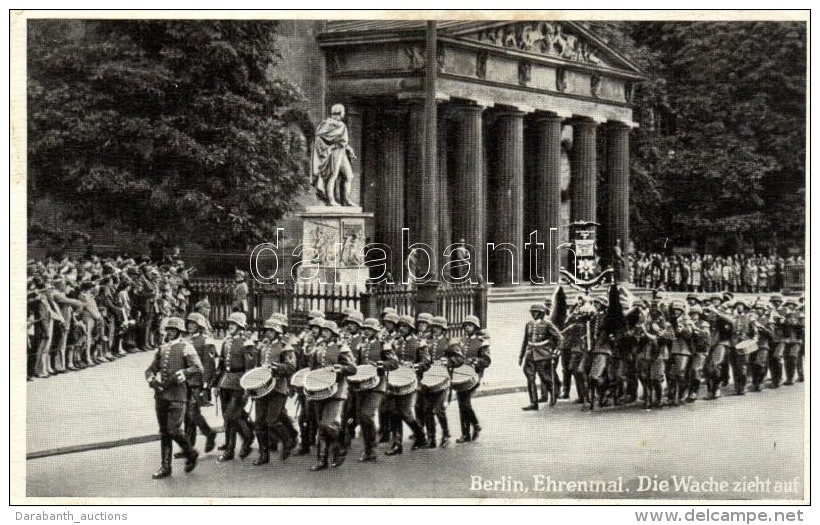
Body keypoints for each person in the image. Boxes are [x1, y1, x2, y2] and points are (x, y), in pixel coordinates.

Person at [144, 317, 203, 479]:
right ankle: (165, 467)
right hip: (161, 395)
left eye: (172, 330)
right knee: (164, 432)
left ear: (179, 331)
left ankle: (191, 453)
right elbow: (150, 369)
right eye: (168, 329)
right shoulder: (162, 348)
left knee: (174, 429)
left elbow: (198, 367)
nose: (169, 332)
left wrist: (184, 372)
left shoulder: (186, 347)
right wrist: (151, 379)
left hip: (178, 394)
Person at [308, 320, 356, 470]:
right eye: (323, 330)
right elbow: (313, 367)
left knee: (327, 423)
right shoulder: (319, 346)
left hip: (337, 390)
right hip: (320, 389)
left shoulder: (342, 347)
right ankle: (322, 459)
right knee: (321, 426)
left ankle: (340, 446)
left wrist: (340, 368)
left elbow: (352, 368)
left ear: (334, 334)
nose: (323, 333)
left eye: (327, 331)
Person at [251, 318, 297, 466]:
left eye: (272, 331)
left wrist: (278, 367)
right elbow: (258, 366)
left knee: (272, 420)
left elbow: (291, 367)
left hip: (278, 388)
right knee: (259, 422)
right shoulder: (263, 346)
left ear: (278, 332)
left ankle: (288, 440)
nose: (269, 333)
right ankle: (264, 455)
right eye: (267, 331)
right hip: (262, 388)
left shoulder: (285, 347)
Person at [354, 317, 399, 462]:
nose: (366, 331)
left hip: (378, 385)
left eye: (369, 329)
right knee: (361, 416)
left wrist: (380, 364)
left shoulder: (383, 345)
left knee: (367, 415)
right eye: (364, 329)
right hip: (362, 384)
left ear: (375, 331)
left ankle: (372, 449)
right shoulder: (361, 345)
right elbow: (358, 364)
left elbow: (394, 363)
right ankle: (368, 449)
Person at [214, 312, 256, 462]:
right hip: (225, 382)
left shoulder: (247, 343)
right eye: (230, 324)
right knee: (230, 416)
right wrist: (215, 383)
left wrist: (248, 388)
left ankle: (242, 440)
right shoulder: (226, 342)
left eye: (234, 324)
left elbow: (250, 368)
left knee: (230, 415)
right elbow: (221, 364)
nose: (230, 326)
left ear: (240, 327)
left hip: (240, 383)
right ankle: (242, 437)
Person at [385, 315, 430, 455]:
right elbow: (389, 358)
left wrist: (415, 365)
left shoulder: (419, 342)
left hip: (411, 380)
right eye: (400, 327)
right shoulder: (394, 342)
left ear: (411, 328)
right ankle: (397, 444)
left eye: (405, 326)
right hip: (395, 379)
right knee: (393, 411)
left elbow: (426, 361)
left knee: (405, 412)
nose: (402, 329)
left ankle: (421, 436)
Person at [179, 312, 217, 458]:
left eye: (193, 323)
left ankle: (210, 434)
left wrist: (207, 385)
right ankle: (188, 447)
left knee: (192, 412)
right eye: (188, 323)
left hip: (198, 382)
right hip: (185, 382)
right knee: (188, 416)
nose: (189, 325)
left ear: (200, 325)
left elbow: (209, 364)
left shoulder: (206, 341)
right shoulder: (185, 340)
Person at [310, 103, 358, 207]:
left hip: (341, 151)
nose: (344, 114)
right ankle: (331, 200)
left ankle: (347, 200)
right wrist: (329, 148)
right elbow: (324, 139)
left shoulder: (326, 124)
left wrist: (348, 148)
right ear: (340, 113)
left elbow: (340, 141)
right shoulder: (338, 125)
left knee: (349, 176)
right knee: (333, 176)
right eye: (343, 112)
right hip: (335, 152)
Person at [452, 315, 490, 442]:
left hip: (474, 376)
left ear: (475, 327)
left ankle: (476, 425)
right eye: (466, 325)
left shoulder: (481, 342)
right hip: (460, 376)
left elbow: (486, 360)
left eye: (470, 325)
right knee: (461, 404)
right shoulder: (461, 341)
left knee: (465, 404)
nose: (467, 328)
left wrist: (473, 361)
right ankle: (466, 433)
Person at [519, 303, 563, 411]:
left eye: (536, 312)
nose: (534, 314)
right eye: (533, 312)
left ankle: (554, 393)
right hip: (530, 354)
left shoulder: (547, 324)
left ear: (541, 313)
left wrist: (556, 351)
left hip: (543, 354)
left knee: (545, 377)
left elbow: (560, 338)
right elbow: (525, 341)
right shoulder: (528, 324)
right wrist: (521, 356)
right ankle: (533, 402)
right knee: (530, 378)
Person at [423, 316, 455, 448]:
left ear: (443, 329)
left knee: (439, 409)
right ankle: (431, 438)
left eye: (438, 327)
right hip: (429, 377)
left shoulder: (449, 342)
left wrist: (448, 361)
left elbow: (458, 359)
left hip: (443, 378)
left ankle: (446, 435)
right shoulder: (426, 341)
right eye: (433, 327)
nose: (435, 330)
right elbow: (422, 357)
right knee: (427, 409)